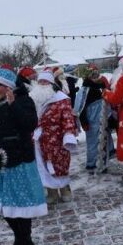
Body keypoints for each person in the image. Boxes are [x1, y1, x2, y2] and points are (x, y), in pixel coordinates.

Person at [0, 66, 47, 245]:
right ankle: (21, 238)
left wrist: (13, 105)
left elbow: (30, 124)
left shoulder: (24, 100)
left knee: (21, 205)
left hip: (19, 159)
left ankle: (27, 244)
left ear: (8, 86)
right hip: (1, 161)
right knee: (6, 206)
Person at [30, 71, 77, 204]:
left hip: (57, 137)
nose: (42, 84)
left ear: (51, 84)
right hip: (39, 138)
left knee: (59, 163)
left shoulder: (61, 99)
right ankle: (51, 191)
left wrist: (68, 135)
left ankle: (65, 189)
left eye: (46, 82)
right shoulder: (33, 98)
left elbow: (68, 118)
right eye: (40, 82)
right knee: (44, 165)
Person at [74, 64, 114, 173]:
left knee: (104, 140)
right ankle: (92, 164)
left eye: (96, 73)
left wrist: (110, 117)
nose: (95, 75)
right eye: (93, 73)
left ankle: (103, 164)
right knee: (93, 142)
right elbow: (80, 107)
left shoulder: (100, 86)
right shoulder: (85, 89)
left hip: (103, 118)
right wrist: (84, 122)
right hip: (92, 120)